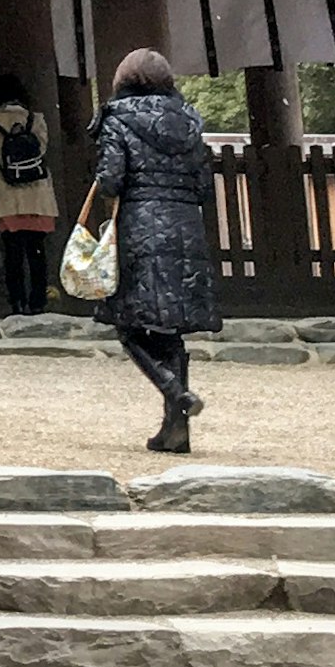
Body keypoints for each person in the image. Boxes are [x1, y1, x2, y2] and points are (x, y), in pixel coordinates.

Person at [89, 50, 219, 454]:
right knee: (172, 330)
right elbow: (203, 185)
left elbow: (111, 179)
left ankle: (174, 390)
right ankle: (175, 429)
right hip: (185, 225)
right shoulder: (189, 120)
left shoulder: (118, 117)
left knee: (129, 324)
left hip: (141, 225)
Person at [0, 78, 56, 317]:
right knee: (37, 251)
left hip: (6, 194)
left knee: (13, 252)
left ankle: (17, 301)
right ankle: (38, 301)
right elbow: (43, 148)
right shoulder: (35, 120)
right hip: (36, 195)